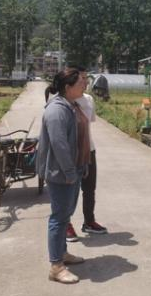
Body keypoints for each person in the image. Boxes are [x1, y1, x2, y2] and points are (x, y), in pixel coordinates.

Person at [37, 68, 90, 284]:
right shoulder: (57, 110)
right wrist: (69, 172)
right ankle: (56, 266)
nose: (85, 85)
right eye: (80, 83)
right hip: (61, 173)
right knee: (59, 218)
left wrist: (81, 166)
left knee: (65, 215)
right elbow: (59, 145)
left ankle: (62, 253)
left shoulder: (70, 105)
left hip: (72, 170)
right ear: (68, 87)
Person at [66, 68, 108, 242]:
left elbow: (89, 122)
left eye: (86, 78)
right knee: (69, 190)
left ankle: (89, 221)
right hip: (71, 152)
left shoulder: (89, 100)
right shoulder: (63, 100)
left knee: (89, 188)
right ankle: (66, 224)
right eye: (81, 79)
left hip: (89, 149)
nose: (85, 82)